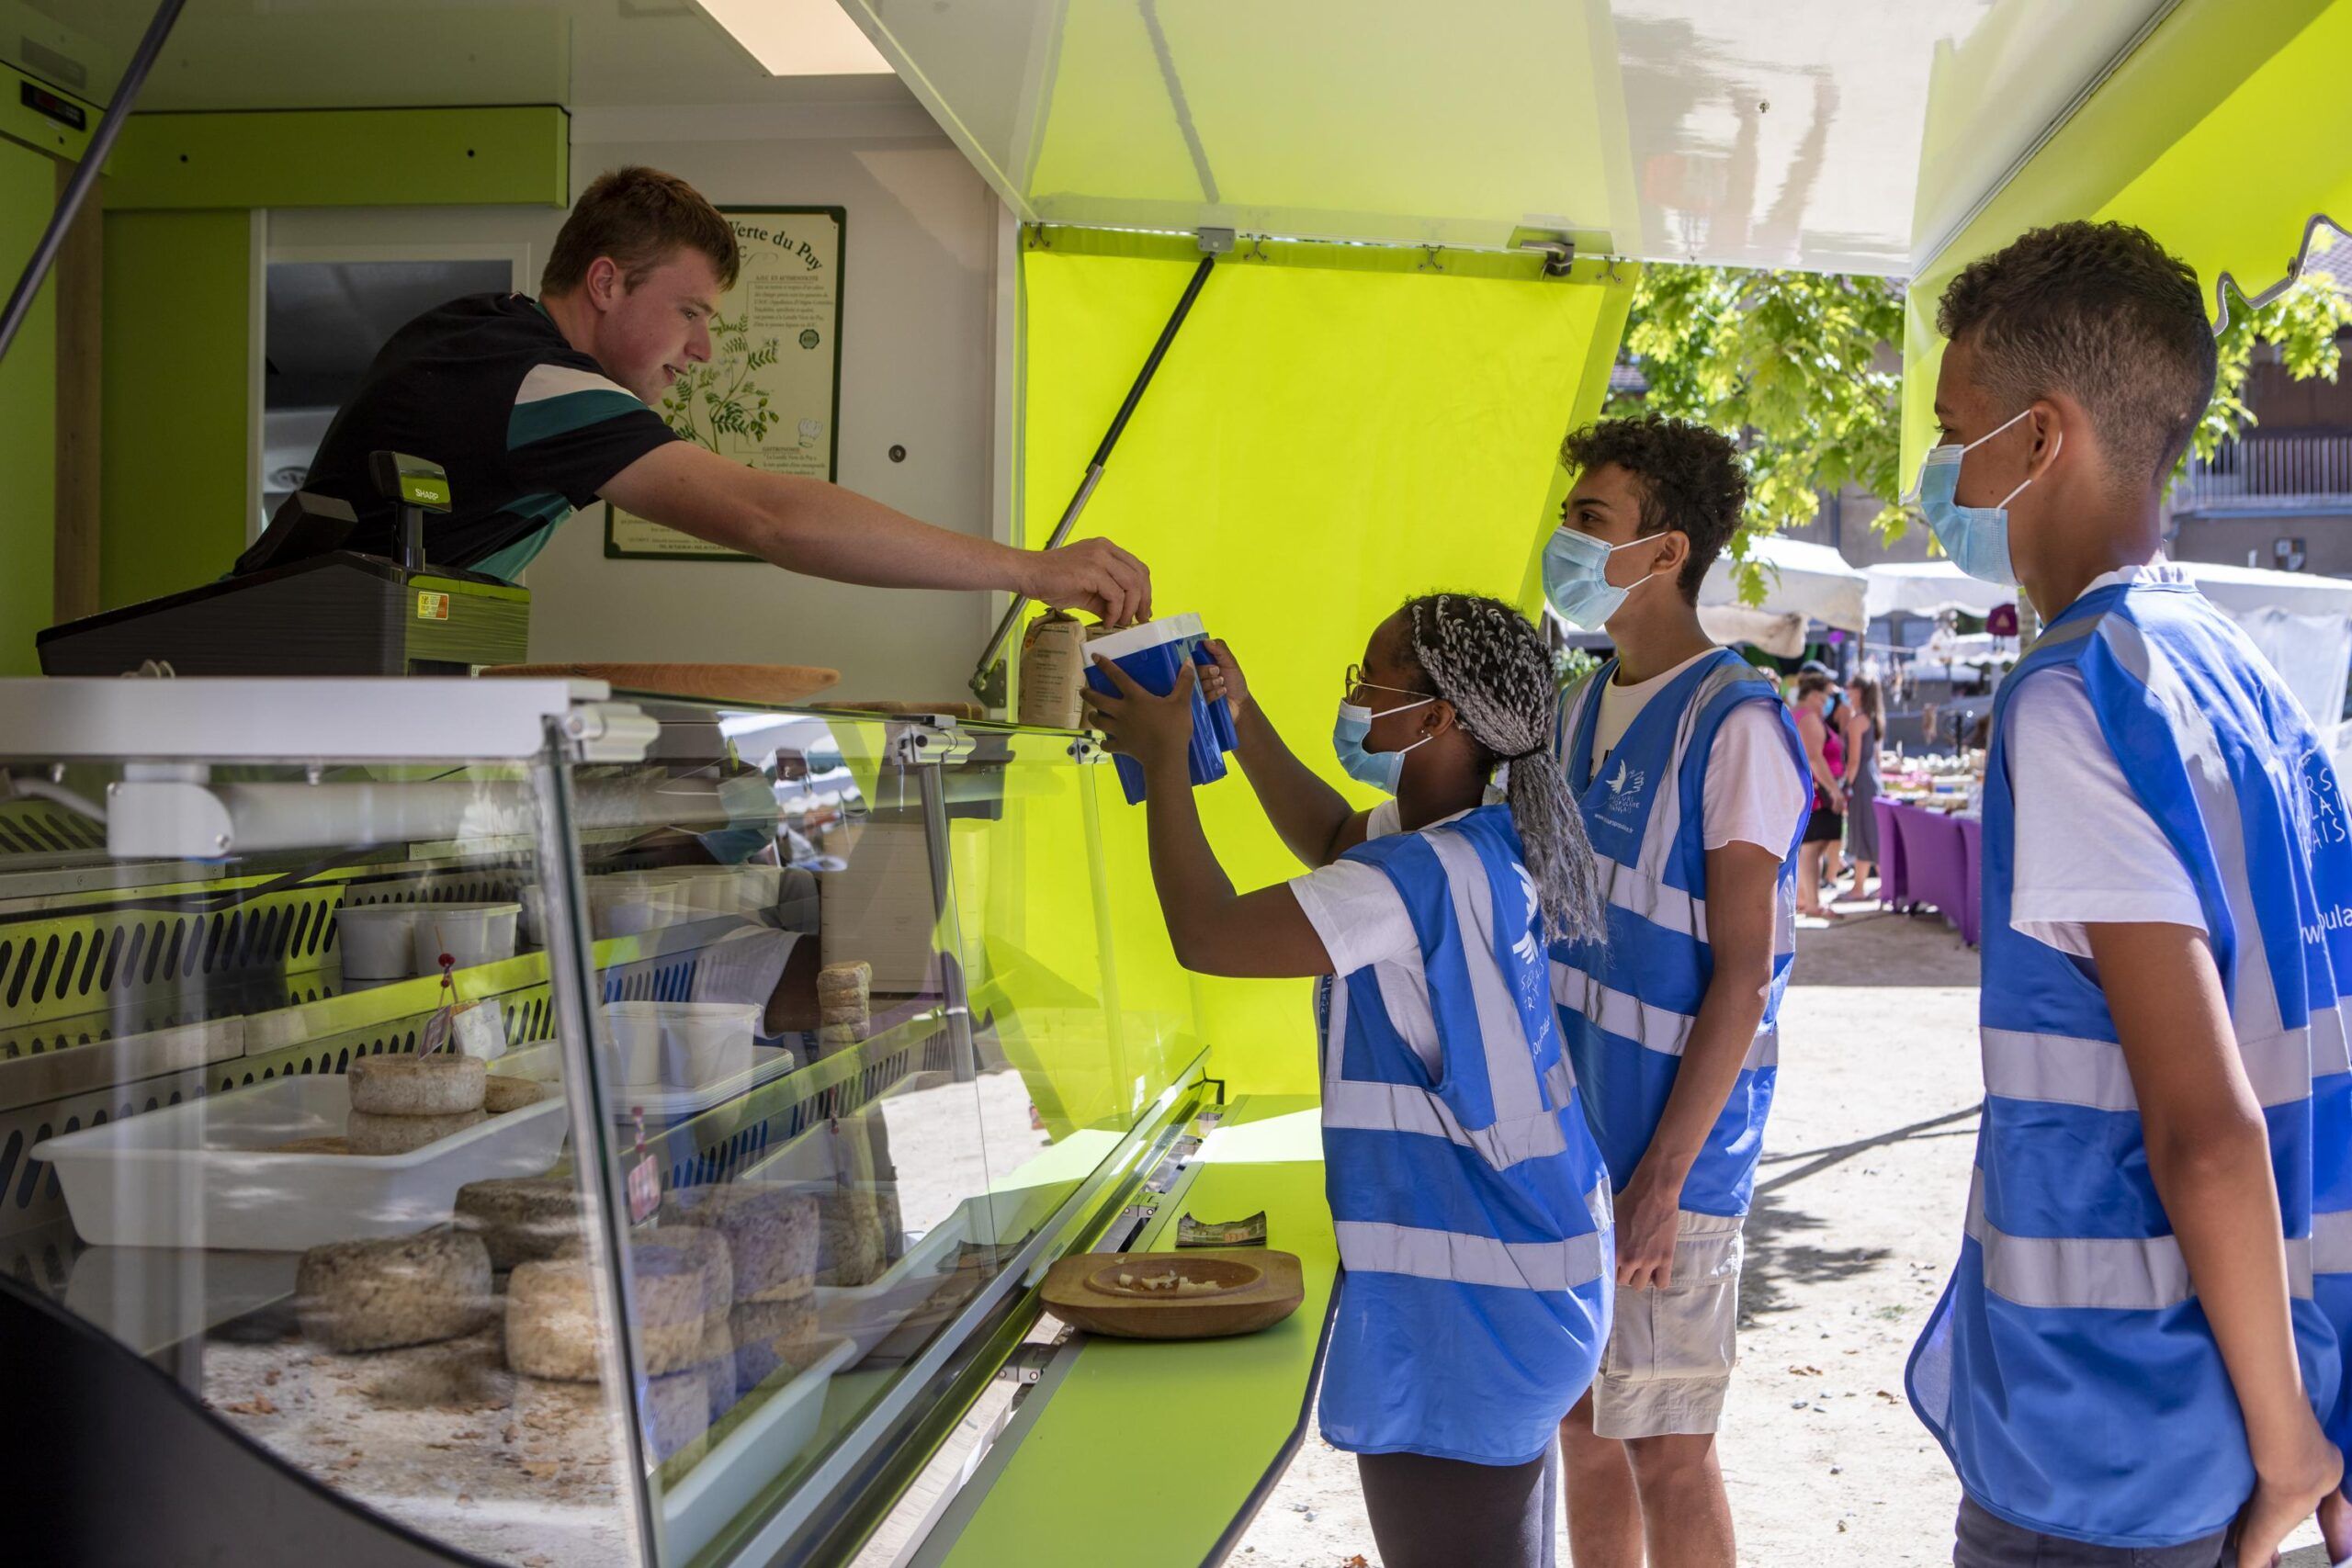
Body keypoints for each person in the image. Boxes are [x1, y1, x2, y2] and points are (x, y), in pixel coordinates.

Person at [1901, 219, 2352, 1566]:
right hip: (2242, 1374)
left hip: (2113, 1430)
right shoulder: (2236, 669)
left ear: (2040, 440)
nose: (1932, 469)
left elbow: (2204, 1129)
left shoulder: (2075, 696)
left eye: (1951, 427)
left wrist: (2289, 1457)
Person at [1085, 593, 1615, 1568]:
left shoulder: (1412, 880)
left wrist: (1168, 764)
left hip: (1479, 1310)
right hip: (1530, 1276)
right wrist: (1236, 724)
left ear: (1436, 719)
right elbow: (1335, 834)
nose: (1356, 697)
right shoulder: (1474, 839)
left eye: (1370, 678)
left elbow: (1209, 934)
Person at [234, 166, 1148, 622]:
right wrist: (1030, 570)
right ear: (604, 283)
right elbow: (767, 516)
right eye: (689, 312)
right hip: (273, 700)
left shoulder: (487, 334)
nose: (702, 350)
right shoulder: (538, 383)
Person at [1537, 414, 1812, 1568]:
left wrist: (1662, 1181)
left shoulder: (1734, 720)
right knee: (1584, 1426)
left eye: (1588, 521)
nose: (1562, 541)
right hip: (1573, 1146)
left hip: (1670, 1164)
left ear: (1664, 552)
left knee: (1670, 1448)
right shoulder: (1573, 703)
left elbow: (1743, 979)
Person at [1789, 672, 1847, 919]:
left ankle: (1804, 898)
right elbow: (1815, 757)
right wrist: (1834, 789)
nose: (1828, 703)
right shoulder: (1809, 718)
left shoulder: (1796, 713)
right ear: (1813, 695)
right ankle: (1812, 902)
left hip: (1809, 790)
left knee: (1812, 848)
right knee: (1813, 848)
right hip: (1816, 793)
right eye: (1825, 698)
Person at [1840, 674, 1885, 899]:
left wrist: (1845, 785)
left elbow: (1854, 760)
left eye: (1850, 687)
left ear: (1860, 691)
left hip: (1862, 783)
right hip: (1871, 781)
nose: (1846, 691)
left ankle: (1864, 886)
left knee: (1865, 833)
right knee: (1868, 832)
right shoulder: (1871, 717)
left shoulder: (1857, 721)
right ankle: (1861, 886)